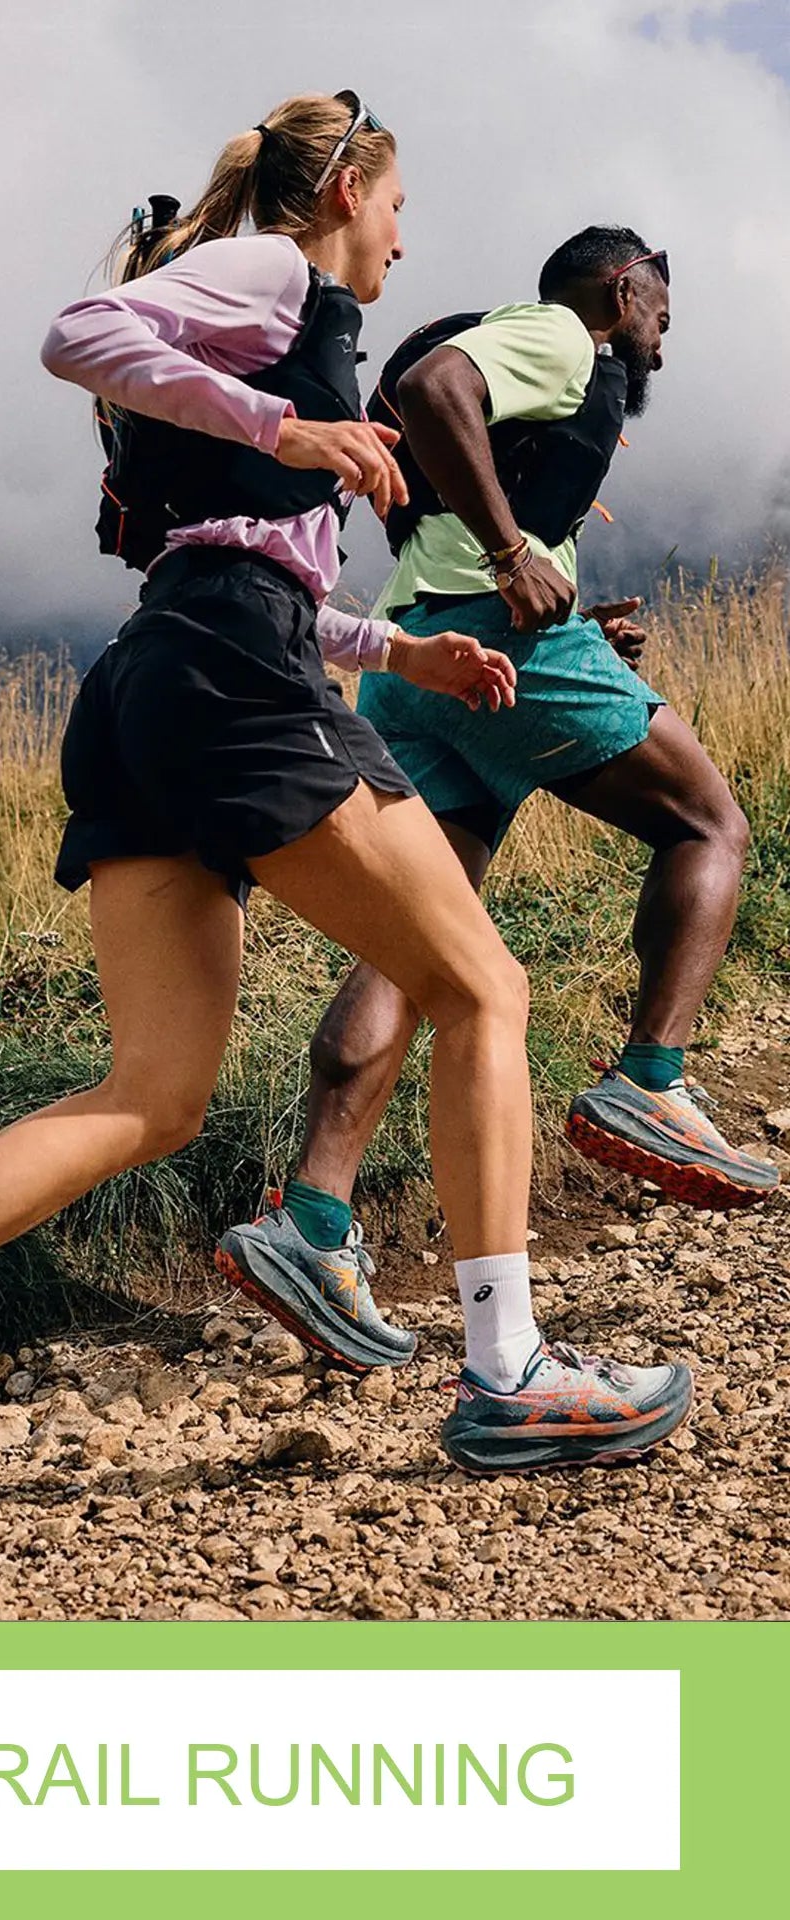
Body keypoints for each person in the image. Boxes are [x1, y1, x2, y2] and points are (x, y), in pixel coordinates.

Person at [0, 102, 691, 1520]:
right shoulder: (275, 274)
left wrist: (393, 648)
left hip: (162, 681)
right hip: (227, 675)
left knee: (154, 1094)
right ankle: (510, 1373)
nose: (405, 237)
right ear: (348, 186)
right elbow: (76, 331)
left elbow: (230, 549)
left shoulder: (282, 324)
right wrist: (281, 420)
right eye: (400, 204)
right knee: (482, 983)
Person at [219, 227, 777, 1356]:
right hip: (494, 644)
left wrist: (553, 571)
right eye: (660, 312)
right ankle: (651, 1083)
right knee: (708, 823)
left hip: (419, 655)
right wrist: (517, 554)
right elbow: (436, 387)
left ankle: (313, 1218)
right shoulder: (564, 337)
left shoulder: (547, 376)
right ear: (625, 289)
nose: (662, 344)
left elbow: (453, 478)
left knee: (421, 943)